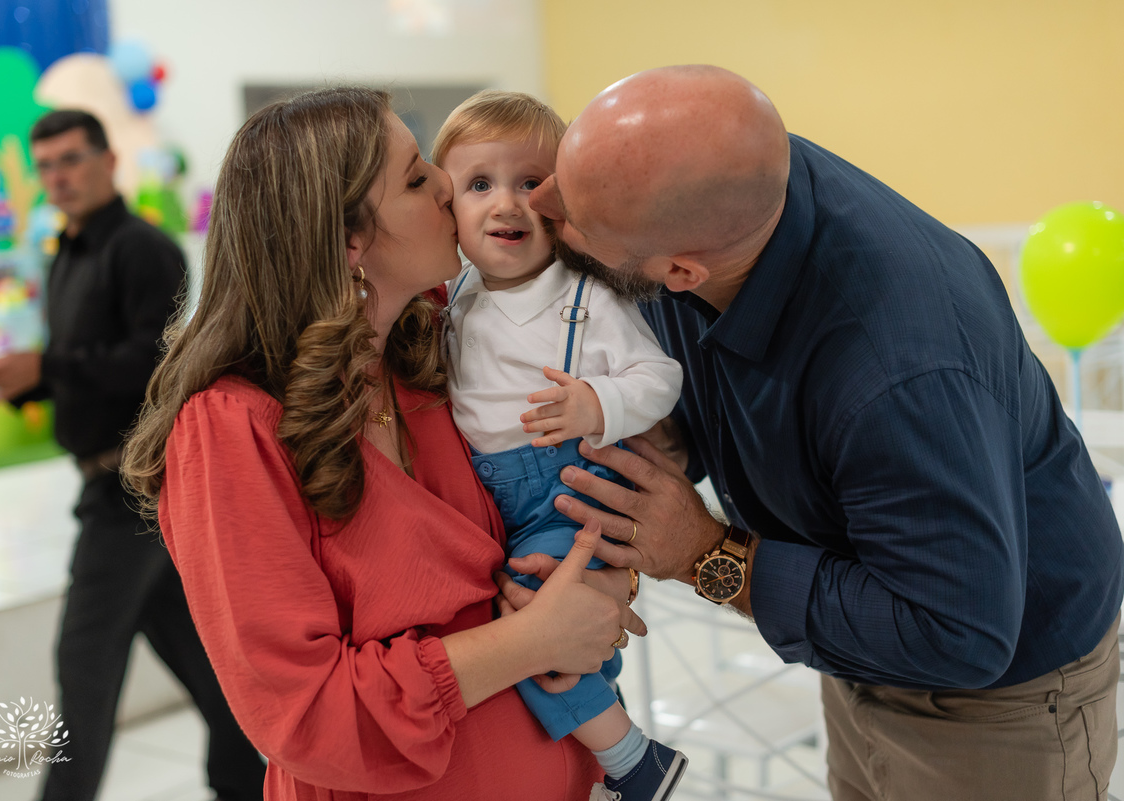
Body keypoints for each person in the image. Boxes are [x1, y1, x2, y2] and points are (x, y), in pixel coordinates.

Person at [521, 64, 1124, 800]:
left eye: (577, 216)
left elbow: (957, 631)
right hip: (861, 641)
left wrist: (703, 551)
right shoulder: (730, 194)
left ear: (679, 268)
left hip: (999, 698)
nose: (542, 203)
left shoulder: (899, 372)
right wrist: (663, 443)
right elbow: (716, 384)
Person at [121, 87, 642, 801]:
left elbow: (561, 502)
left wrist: (601, 581)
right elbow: (304, 714)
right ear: (349, 241)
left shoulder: (430, 351)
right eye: (416, 176)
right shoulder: (229, 427)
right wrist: (532, 641)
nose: (446, 187)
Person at [0, 110, 267, 800]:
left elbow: (152, 362)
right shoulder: (68, 252)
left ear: (108, 161)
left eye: (70, 160)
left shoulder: (143, 249)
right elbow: (82, 363)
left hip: (134, 492)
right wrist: (25, 378)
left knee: (84, 666)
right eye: (45, 166)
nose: (58, 177)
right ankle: (248, 786)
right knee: (208, 667)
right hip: (115, 489)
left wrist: (48, 365)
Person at [432, 90, 687, 801]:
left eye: (528, 183)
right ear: (445, 205)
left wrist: (596, 403)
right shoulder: (452, 297)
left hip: (564, 488)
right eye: (479, 185)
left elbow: (660, 376)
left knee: (537, 633)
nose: (505, 204)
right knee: (539, 626)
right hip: (491, 493)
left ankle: (633, 761)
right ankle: (615, 756)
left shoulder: (585, 298)